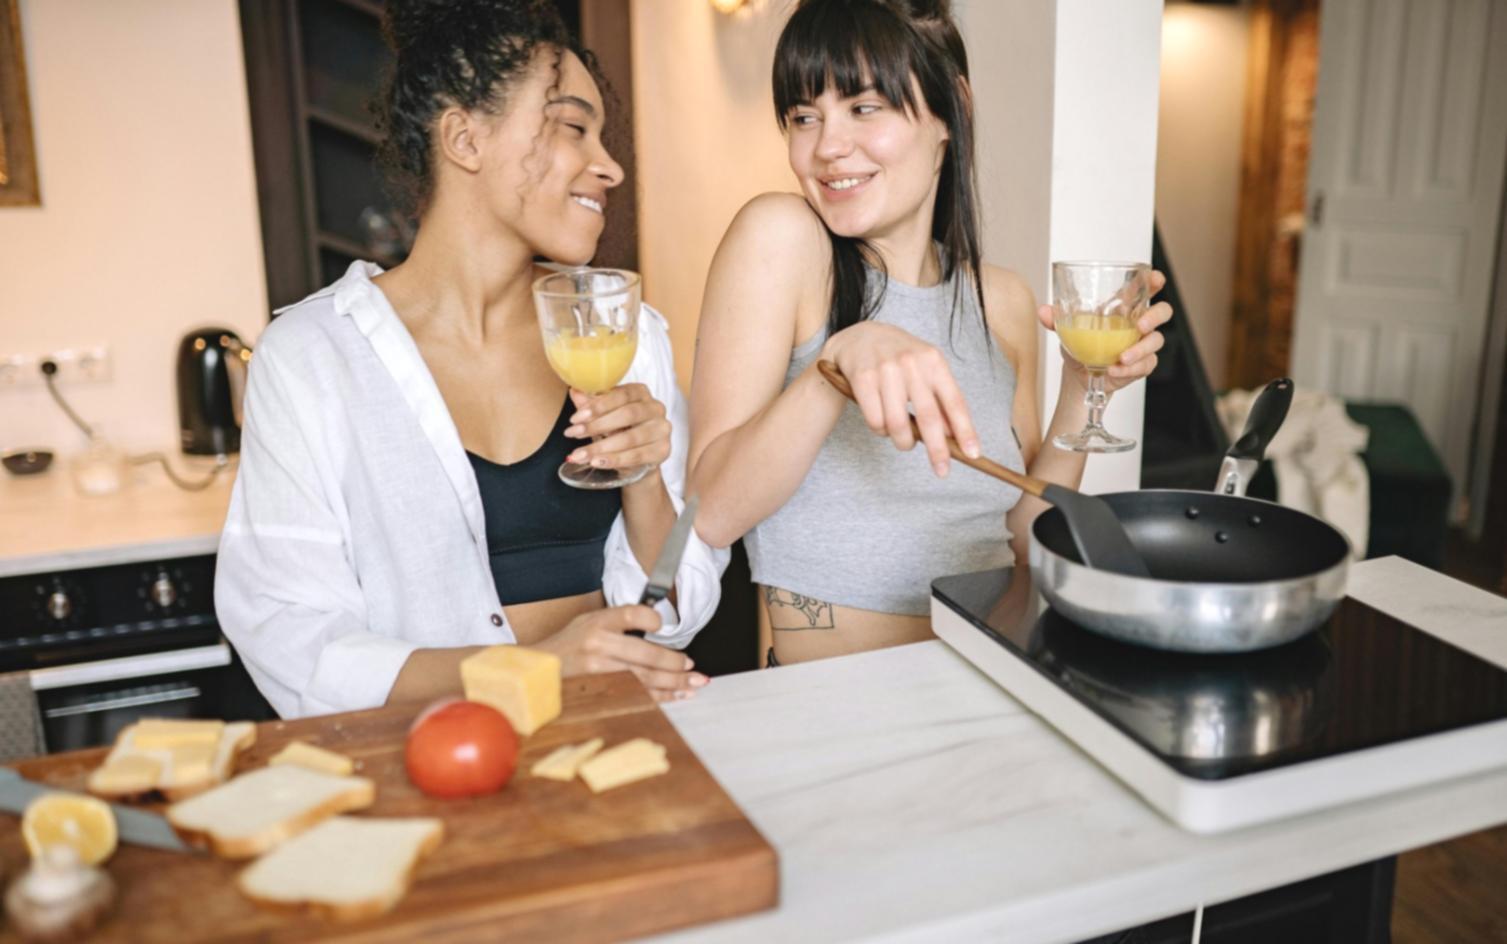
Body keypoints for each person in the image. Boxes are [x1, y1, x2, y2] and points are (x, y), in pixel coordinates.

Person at [216, 0, 725, 718]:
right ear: (464, 139)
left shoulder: (624, 331)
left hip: (608, 735)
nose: (609, 166)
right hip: (434, 752)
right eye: (573, 127)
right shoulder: (312, 358)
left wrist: (642, 477)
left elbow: (675, 611)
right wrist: (535, 668)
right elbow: (289, 636)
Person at [688, 0, 1171, 667]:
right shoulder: (782, 238)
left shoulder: (1001, 301)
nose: (826, 146)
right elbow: (710, 511)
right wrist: (837, 364)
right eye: (803, 116)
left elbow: (1023, 535)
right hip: (840, 700)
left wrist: (1082, 388)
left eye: (863, 107)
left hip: (998, 676)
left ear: (951, 111)